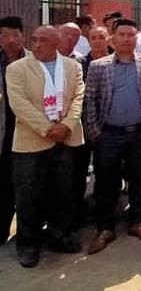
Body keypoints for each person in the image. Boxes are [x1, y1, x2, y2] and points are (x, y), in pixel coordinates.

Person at [6, 26, 85, 267]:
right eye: (34, 40)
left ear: (57, 42)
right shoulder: (16, 69)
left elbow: (78, 97)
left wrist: (67, 126)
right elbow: (19, 103)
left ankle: (58, 235)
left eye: (43, 40)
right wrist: (47, 128)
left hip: (65, 139)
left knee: (62, 192)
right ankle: (28, 245)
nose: (37, 44)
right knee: (28, 196)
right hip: (32, 143)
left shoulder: (73, 67)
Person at [85, 19, 141, 254]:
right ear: (113, 38)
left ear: (136, 39)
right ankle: (105, 227)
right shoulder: (99, 66)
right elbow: (89, 101)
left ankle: (138, 222)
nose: (127, 38)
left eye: (131, 34)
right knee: (107, 180)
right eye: (122, 34)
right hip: (109, 134)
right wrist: (95, 132)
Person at [74, 26, 111, 229]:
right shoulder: (79, 64)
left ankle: (104, 209)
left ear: (109, 39)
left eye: (101, 37)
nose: (97, 41)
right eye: (93, 38)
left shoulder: (118, 60)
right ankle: (78, 210)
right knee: (79, 170)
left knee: (105, 170)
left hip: (110, 127)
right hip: (82, 126)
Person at [0, 16, 29, 245]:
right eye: (3, 35)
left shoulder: (35, 61)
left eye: (14, 34)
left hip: (27, 132)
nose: (9, 40)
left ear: (22, 34)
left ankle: (27, 235)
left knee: (25, 185)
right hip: (2, 132)